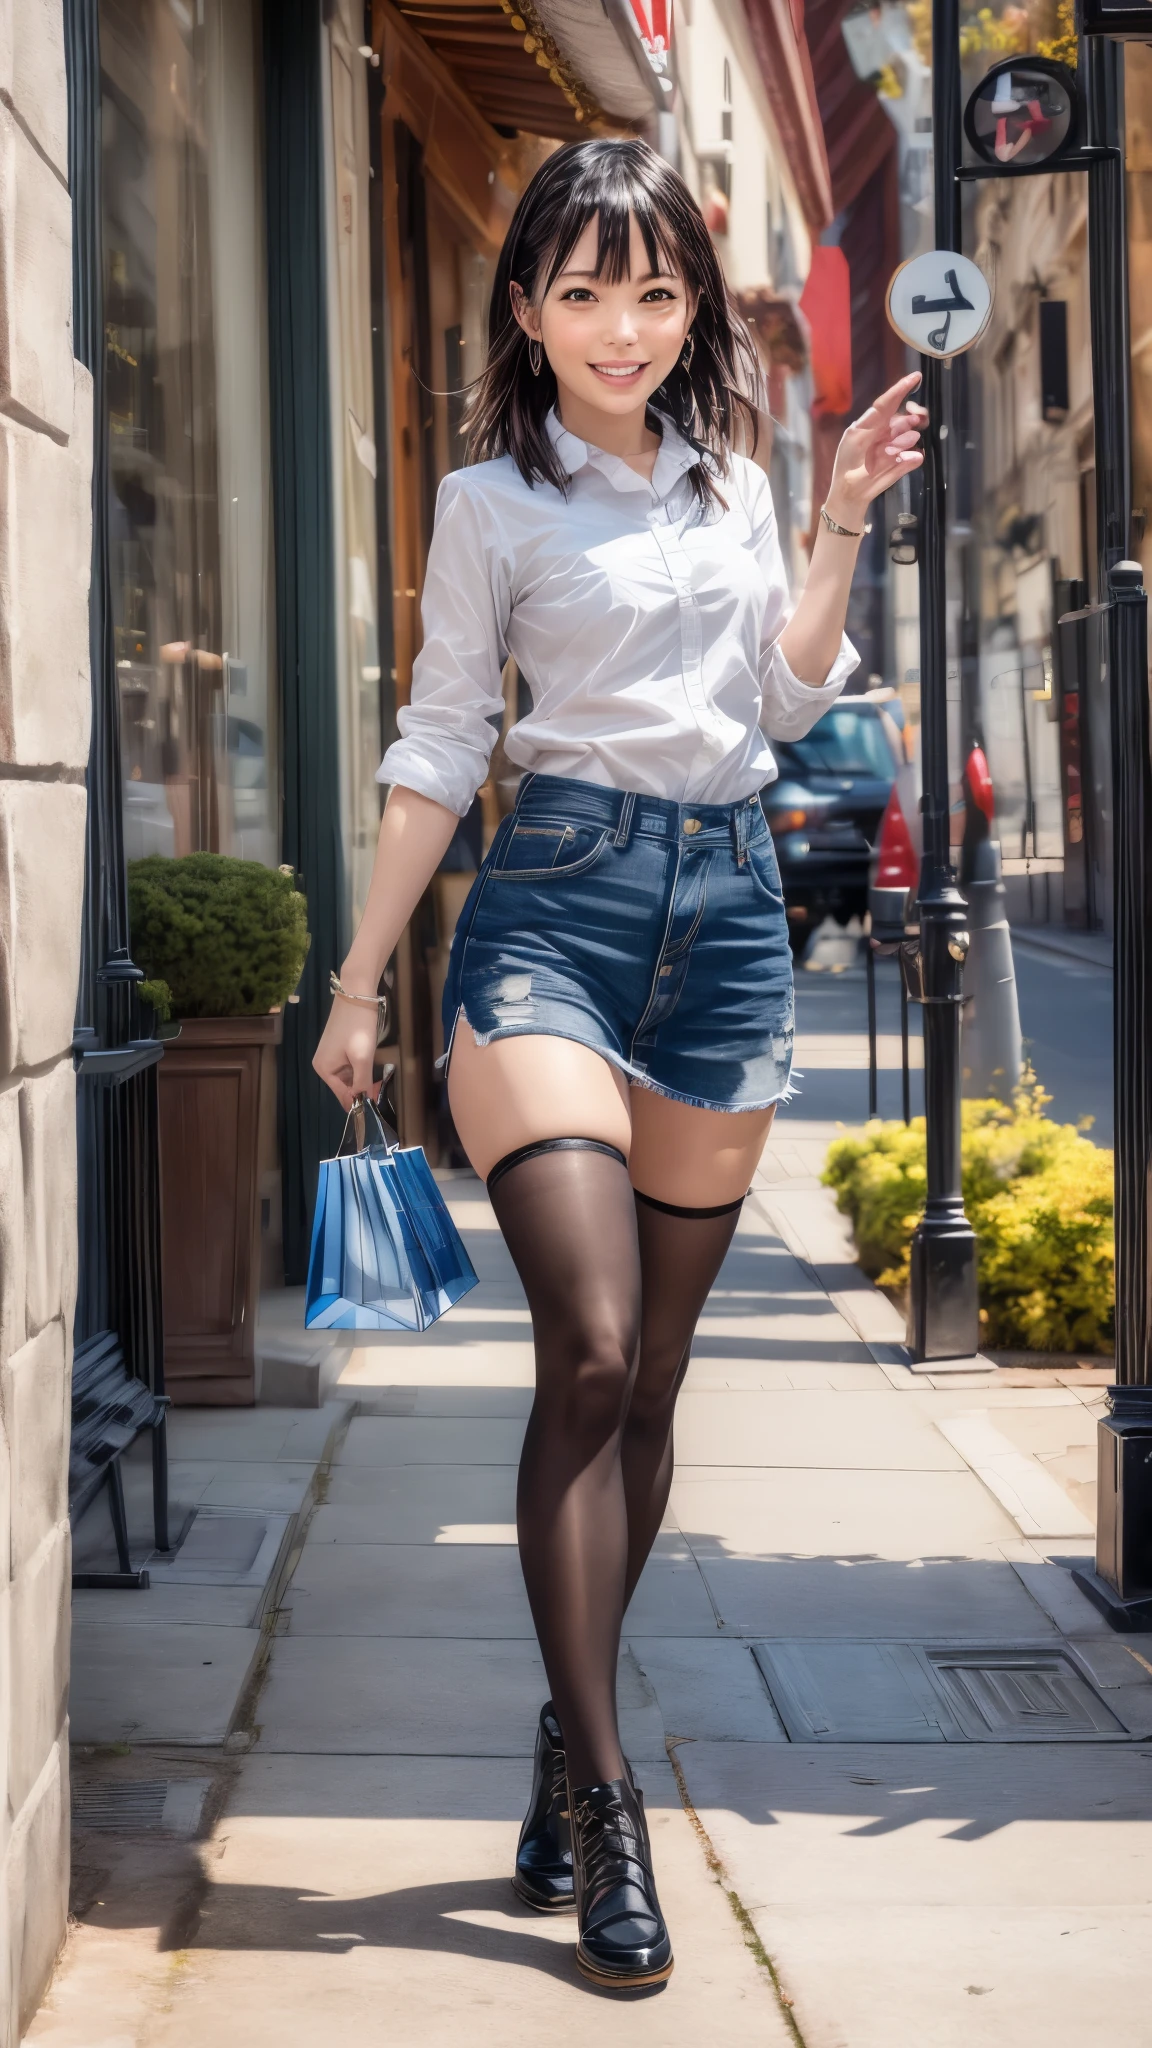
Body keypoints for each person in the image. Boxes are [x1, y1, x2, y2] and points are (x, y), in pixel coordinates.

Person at [313, 136, 925, 1990]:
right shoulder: (494, 503)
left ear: (688, 307)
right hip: (551, 916)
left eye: (654, 290)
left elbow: (784, 697)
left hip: (728, 920)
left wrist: (828, 525)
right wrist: (359, 981)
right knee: (582, 1343)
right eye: (583, 289)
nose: (622, 326)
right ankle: (608, 1797)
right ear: (526, 308)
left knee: (651, 1384)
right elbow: (438, 744)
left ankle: (553, 1725)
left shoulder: (733, 486)